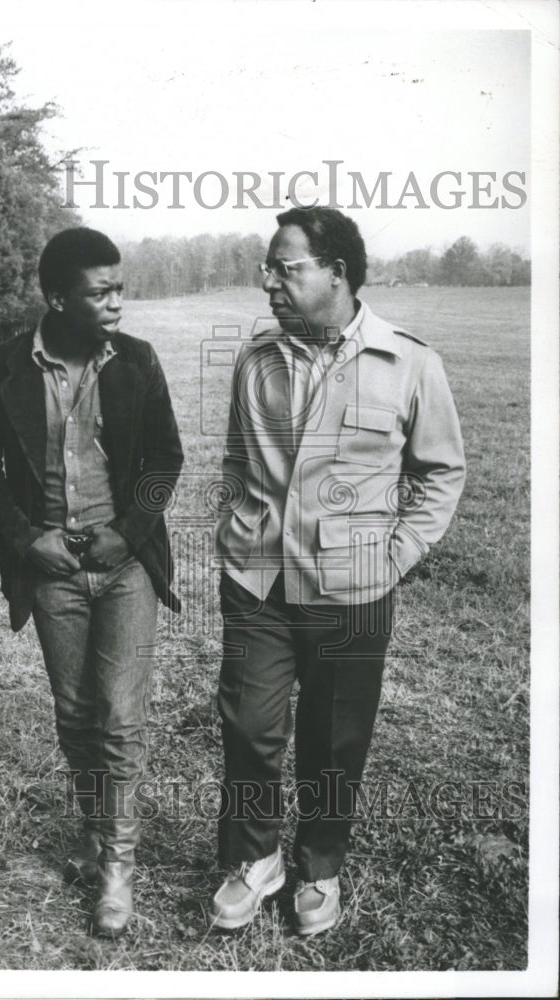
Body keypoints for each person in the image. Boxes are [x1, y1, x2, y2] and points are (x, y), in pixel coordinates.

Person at [210, 207, 465, 935]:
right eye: (269, 268)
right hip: (258, 580)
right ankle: (254, 860)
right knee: (247, 727)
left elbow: (440, 472)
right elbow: (237, 457)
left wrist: (397, 553)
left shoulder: (409, 362)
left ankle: (319, 867)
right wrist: (236, 528)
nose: (269, 283)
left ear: (336, 274)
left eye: (284, 268)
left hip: (352, 591)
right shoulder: (256, 357)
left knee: (332, 739)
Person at [0, 227, 183, 937]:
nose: (117, 301)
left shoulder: (137, 361)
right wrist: (31, 541)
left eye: (119, 287)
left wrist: (127, 533)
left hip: (124, 568)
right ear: (57, 299)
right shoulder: (1, 366)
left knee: (120, 716)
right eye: (101, 291)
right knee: (77, 713)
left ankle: (117, 867)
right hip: (51, 570)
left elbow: (163, 459)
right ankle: (94, 830)